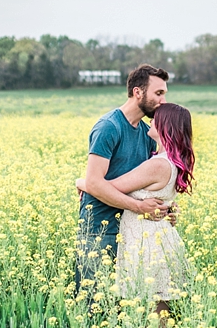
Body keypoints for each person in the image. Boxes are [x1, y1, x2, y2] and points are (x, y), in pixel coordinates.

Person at [77, 103, 195, 322]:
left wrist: (81, 182)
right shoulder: (170, 160)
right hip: (157, 236)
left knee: (151, 310)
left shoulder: (157, 165)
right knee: (156, 309)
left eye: (156, 119)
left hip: (147, 240)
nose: (151, 120)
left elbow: (110, 186)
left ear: (165, 127)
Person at [75, 64, 172, 293]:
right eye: (158, 93)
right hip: (100, 231)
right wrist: (139, 207)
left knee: (122, 309)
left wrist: (166, 209)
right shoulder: (109, 127)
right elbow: (95, 183)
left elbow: (147, 184)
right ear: (138, 92)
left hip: (132, 233)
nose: (163, 101)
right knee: (95, 308)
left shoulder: (147, 134)